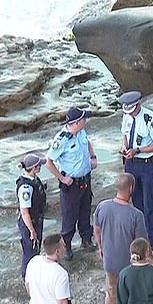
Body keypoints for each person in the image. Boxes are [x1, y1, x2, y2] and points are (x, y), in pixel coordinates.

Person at [94, 173, 148, 304]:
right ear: (131, 188)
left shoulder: (102, 206)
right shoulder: (136, 215)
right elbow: (142, 242)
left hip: (110, 261)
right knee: (132, 295)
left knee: (111, 293)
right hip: (129, 265)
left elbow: (97, 230)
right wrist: (150, 259)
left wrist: (101, 247)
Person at [46, 106, 98, 261]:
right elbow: (49, 162)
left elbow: (87, 142)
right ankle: (66, 246)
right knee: (69, 217)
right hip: (71, 184)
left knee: (85, 211)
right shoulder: (61, 140)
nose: (85, 121)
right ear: (76, 122)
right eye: (83, 119)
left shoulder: (81, 132)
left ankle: (86, 240)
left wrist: (93, 156)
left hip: (85, 179)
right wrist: (61, 179)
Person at [117, 91, 153, 254]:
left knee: (148, 202)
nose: (129, 113)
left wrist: (138, 150)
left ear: (137, 105)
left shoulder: (150, 118)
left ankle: (151, 242)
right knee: (135, 202)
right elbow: (124, 133)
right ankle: (138, 237)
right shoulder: (127, 116)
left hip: (147, 164)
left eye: (131, 109)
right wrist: (125, 146)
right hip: (131, 164)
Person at [16, 153, 47, 279]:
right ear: (34, 168)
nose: (40, 166)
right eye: (39, 165)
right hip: (30, 223)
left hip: (36, 219)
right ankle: (27, 279)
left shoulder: (33, 179)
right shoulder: (25, 187)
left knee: (36, 249)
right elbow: (24, 212)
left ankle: (34, 275)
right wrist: (32, 230)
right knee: (30, 252)